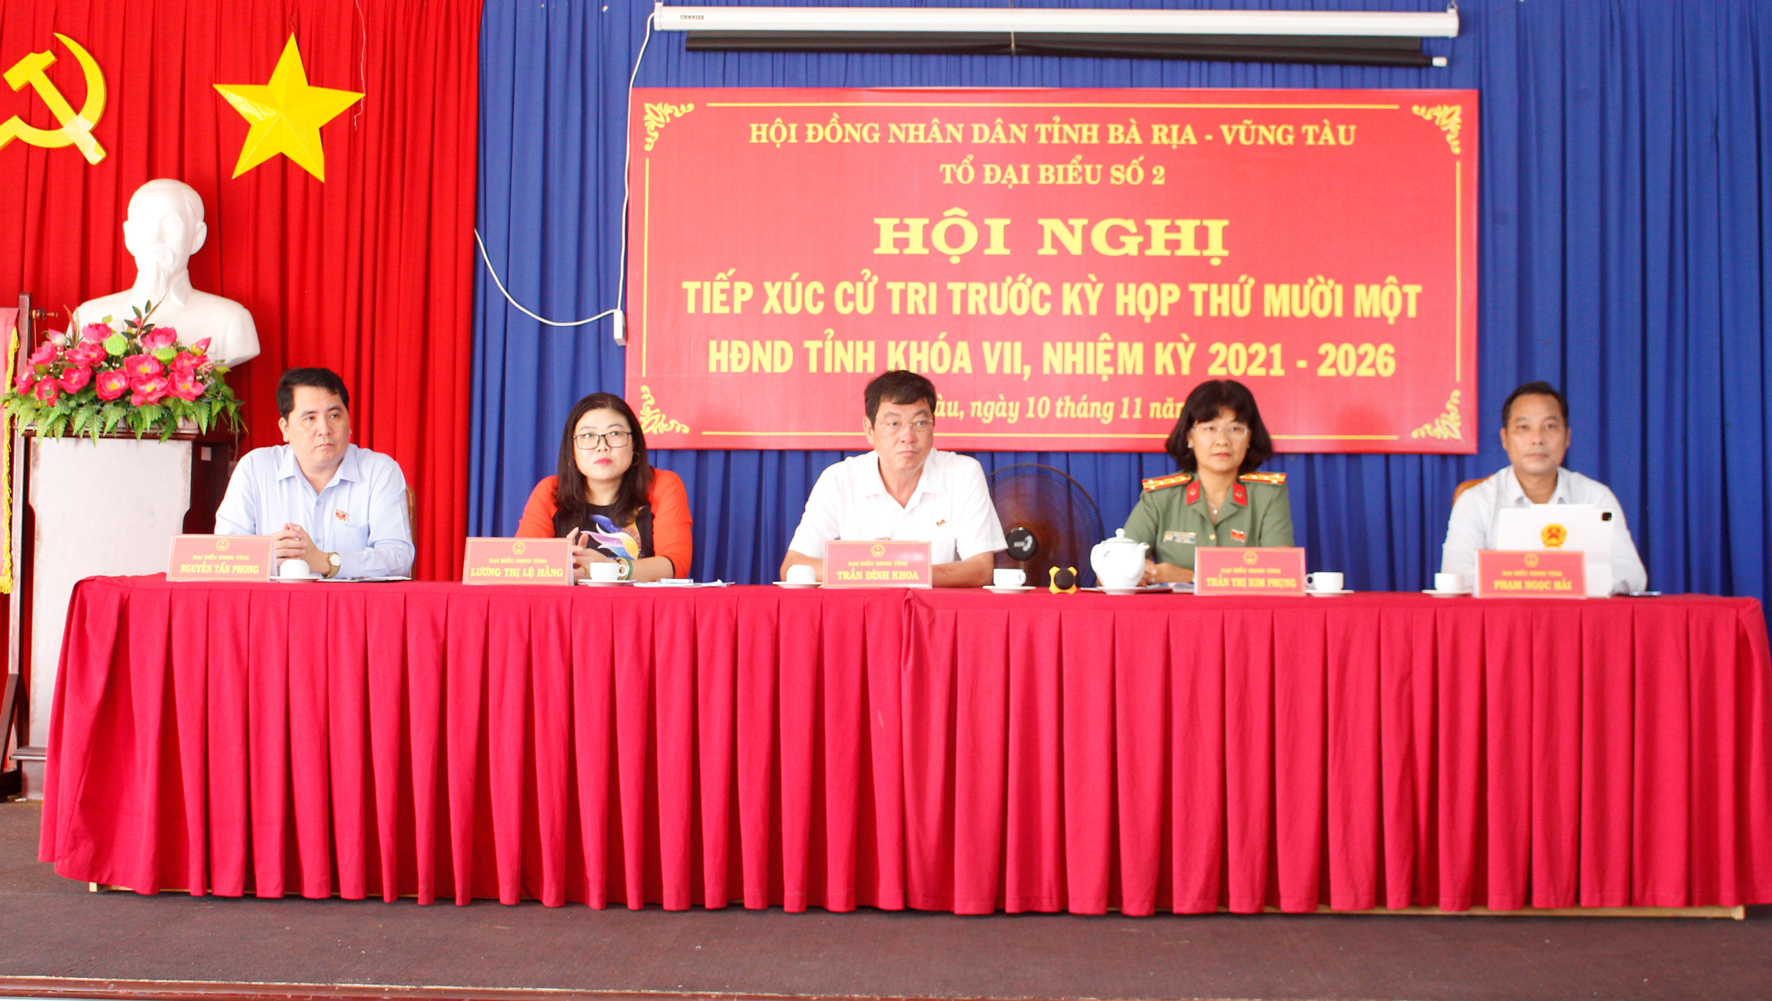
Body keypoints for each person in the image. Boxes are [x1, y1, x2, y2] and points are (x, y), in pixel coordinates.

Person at [783, 370, 1005, 587]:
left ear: (933, 426)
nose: (908, 437)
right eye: (893, 424)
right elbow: (793, 566)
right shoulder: (838, 480)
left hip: (935, 610)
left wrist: (900, 568)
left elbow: (981, 569)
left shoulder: (963, 474)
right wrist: (868, 567)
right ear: (869, 429)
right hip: (862, 610)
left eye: (920, 423)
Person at [1441, 380, 1647, 594]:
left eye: (1550, 426)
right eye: (1524, 428)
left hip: (1577, 615)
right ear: (1505, 439)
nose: (1537, 439)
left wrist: (1548, 578)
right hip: (1505, 616)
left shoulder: (1595, 497)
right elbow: (1455, 573)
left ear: (1567, 437)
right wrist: (1545, 579)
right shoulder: (1475, 501)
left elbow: (1632, 574)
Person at [215, 367, 413, 577]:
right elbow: (223, 557)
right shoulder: (254, 469)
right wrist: (264, 556)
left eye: (334, 415)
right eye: (310, 418)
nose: (324, 429)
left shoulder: (379, 472)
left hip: (351, 599)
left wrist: (327, 562)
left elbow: (398, 558)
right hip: (277, 598)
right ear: (285, 428)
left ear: (348, 422)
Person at [73, 178, 261, 368]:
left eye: (171, 224)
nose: (155, 237)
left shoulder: (230, 320)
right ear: (129, 236)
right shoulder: (88, 318)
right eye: (145, 223)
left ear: (197, 237)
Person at [1122, 379, 1292, 584]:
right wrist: (1136, 573)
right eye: (1210, 428)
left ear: (1250, 438)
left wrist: (1192, 577)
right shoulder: (1160, 497)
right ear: (1189, 437)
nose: (1222, 441)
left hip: (1246, 606)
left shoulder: (1268, 495)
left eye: (1235, 429)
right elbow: (1113, 569)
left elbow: (1282, 575)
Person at [515, 392, 692, 582]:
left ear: (634, 445)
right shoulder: (550, 491)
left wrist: (612, 569)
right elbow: (521, 564)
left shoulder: (661, 485)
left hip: (643, 602)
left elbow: (676, 566)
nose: (602, 446)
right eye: (588, 435)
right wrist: (557, 564)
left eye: (615, 434)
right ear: (572, 450)